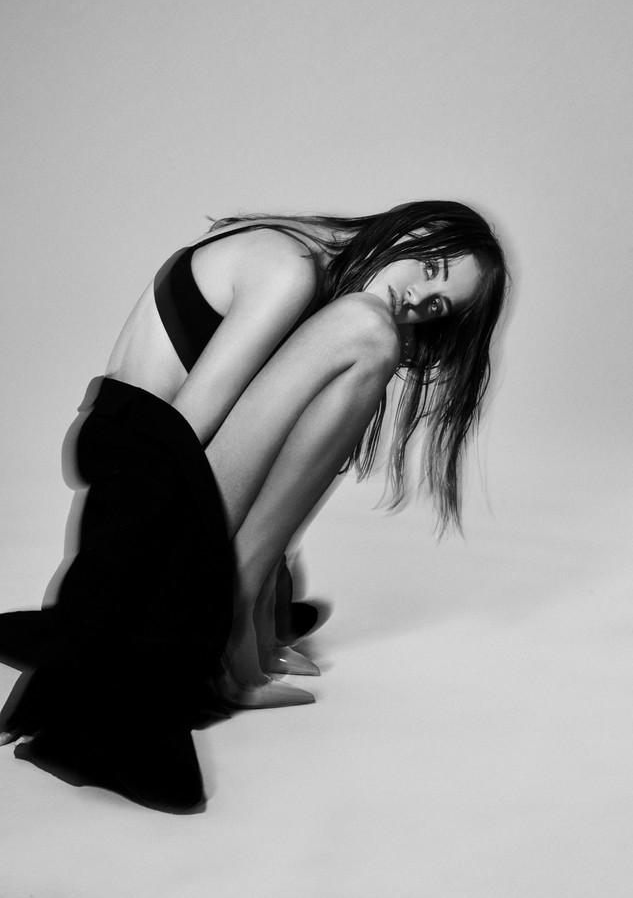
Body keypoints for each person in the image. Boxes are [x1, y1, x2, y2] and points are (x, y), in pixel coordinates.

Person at [0, 201, 508, 811]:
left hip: (162, 456)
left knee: (370, 337)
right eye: (429, 269)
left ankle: (244, 606)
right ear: (416, 230)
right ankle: (231, 612)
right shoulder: (288, 268)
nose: (418, 301)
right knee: (367, 330)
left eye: (437, 307)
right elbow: (172, 445)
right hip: (141, 458)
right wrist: (82, 640)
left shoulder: (319, 269)